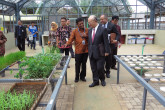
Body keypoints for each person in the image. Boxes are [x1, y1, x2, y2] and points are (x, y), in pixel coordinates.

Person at [88, 15, 110, 87]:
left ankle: (102, 79)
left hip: (100, 52)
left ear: (94, 21)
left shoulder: (103, 29)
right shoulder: (90, 30)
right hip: (91, 52)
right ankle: (95, 81)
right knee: (93, 68)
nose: (89, 24)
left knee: (100, 68)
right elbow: (90, 42)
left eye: (90, 22)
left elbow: (106, 42)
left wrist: (107, 51)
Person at [65, 18, 88, 82]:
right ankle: (77, 77)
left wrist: (86, 36)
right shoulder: (75, 31)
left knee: (84, 64)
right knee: (77, 64)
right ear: (77, 24)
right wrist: (67, 44)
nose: (81, 25)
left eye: (82, 23)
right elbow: (71, 39)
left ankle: (83, 77)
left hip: (86, 51)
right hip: (78, 51)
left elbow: (90, 39)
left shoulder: (87, 30)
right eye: (80, 24)